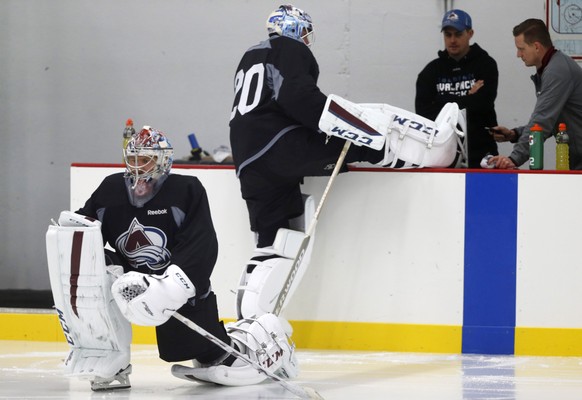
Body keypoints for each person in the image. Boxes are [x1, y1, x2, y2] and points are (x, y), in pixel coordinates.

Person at [229, 4, 464, 320]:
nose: (307, 43)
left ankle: (254, 325)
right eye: (306, 35)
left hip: (249, 161)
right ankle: (436, 151)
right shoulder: (289, 48)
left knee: (273, 243)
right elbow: (299, 97)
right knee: (367, 139)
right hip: (280, 146)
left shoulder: (249, 55)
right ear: (296, 30)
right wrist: (359, 129)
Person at [45, 126, 298, 390]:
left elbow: (201, 245)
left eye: (145, 160)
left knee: (213, 358)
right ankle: (112, 361)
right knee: (97, 272)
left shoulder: (186, 191)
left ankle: (269, 341)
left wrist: (172, 286)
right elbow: (87, 231)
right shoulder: (110, 189)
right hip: (133, 283)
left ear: (163, 161)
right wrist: (71, 237)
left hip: (176, 283)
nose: (137, 167)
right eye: (133, 159)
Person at [488, 18, 582, 170]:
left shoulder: (556, 72)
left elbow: (542, 120)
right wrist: (514, 134)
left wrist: (514, 158)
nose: (518, 54)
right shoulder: (550, 68)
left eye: (521, 48)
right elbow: (550, 120)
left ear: (537, 47)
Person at [415, 9, 499, 168]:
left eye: (458, 34)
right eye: (448, 35)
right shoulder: (430, 72)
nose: (452, 40)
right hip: (441, 155)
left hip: (481, 153)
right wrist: (468, 97)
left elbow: (483, 104)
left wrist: (441, 101)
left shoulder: (486, 64)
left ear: (470, 33)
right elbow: (424, 115)